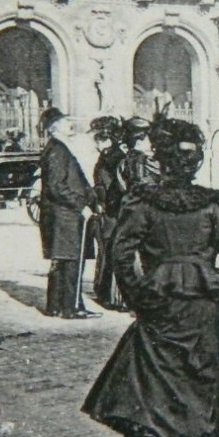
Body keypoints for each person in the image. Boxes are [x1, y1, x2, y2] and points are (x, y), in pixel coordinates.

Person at [83, 118, 219, 437]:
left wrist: (137, 294)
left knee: (159, 372)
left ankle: (164, 435)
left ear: (161, 161)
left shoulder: (142, 203)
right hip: (201, 301)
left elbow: (120, 255)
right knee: (202, 375)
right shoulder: (214, 203)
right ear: (195, 163)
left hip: (159, 299)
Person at [37, 108, 100, 319]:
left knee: (63, 261)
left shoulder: (57, 148)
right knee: (71, 261)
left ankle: (55, 306)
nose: (69, 123)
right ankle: (71, 307)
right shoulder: (57, 150)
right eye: (65, 122)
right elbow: (57, 186)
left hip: (61, 215)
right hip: (65, 215)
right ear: (54, 128)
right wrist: (80, 205)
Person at [89, 116, 127, 311]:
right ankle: (104, 292)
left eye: (98, 139)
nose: (95, 143)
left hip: (113, 211)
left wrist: (101, 201)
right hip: (107, 210)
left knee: (111, 249)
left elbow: (115, 187)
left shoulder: (115, 159)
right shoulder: (106, 156)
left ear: (108, 139)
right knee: (106, 248)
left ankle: (113, 296)